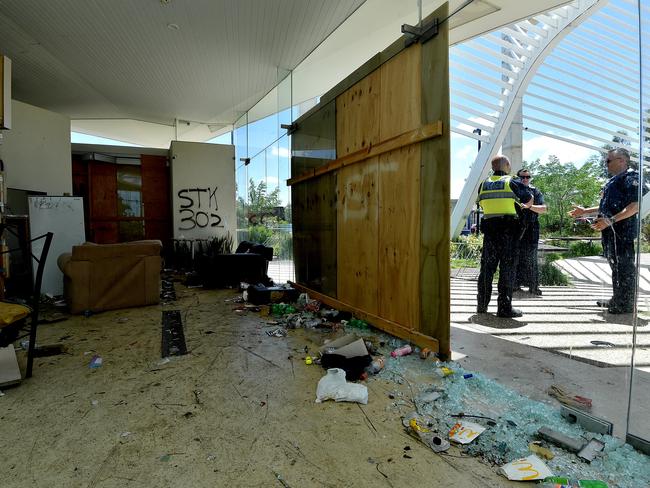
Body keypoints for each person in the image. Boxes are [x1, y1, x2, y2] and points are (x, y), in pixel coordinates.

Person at [569, 148, 646, 314]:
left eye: (608, 161)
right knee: (615, 266)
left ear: (622, 161)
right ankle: (617, 298)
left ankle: (625, 304)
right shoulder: (613, 181)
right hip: (610, 231)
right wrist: (585, 211)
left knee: (624, 267)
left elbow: (635, 205)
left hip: (622, 231)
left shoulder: (632, 177)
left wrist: (610, 221)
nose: (606, 164)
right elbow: (608, 206)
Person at [476, 155, 533, 318]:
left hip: (490, 233)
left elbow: (481, 204)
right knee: (507, 269)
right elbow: (529, 199)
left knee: (487, 270)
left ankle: (481, 305)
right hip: (509, 233)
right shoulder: (512, 182)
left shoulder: (483, 184)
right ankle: (504, 307)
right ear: (507, 165)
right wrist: (523, 207)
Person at [514, 168, 547, 295]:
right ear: (518, 178)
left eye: (528, 177)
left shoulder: (535, 191)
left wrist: (530, 206)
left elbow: (544, 209)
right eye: (522, 177)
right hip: (515, 227)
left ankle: (533, 286)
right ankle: (515, 284)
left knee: (532, 258)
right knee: (516, 256)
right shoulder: (513, 191)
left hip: (532, 227)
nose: (525, 179)